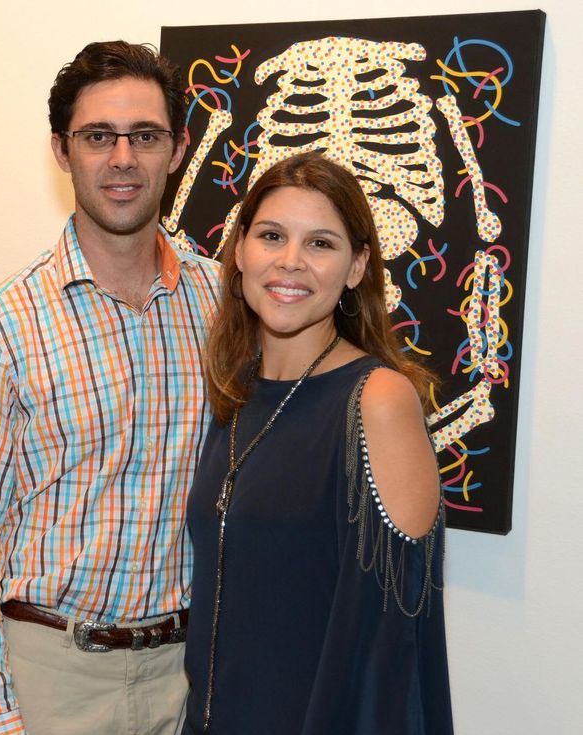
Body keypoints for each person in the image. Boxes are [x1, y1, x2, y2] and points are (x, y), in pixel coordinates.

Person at [0, 41, 220, 735]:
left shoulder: (221, 302)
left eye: (145, 136)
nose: (123, 158)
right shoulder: (0, 324)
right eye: (98, 137)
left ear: (176, 150)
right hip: (49, 678)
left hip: (186, 672)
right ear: (62, 150)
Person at [181, 152, 453, 734]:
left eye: (321, 244)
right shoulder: (234, 393)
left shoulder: (377, 400)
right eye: (272, 235)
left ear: (357, 267)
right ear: (239, 251)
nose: (290, 262)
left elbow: (390, 649)